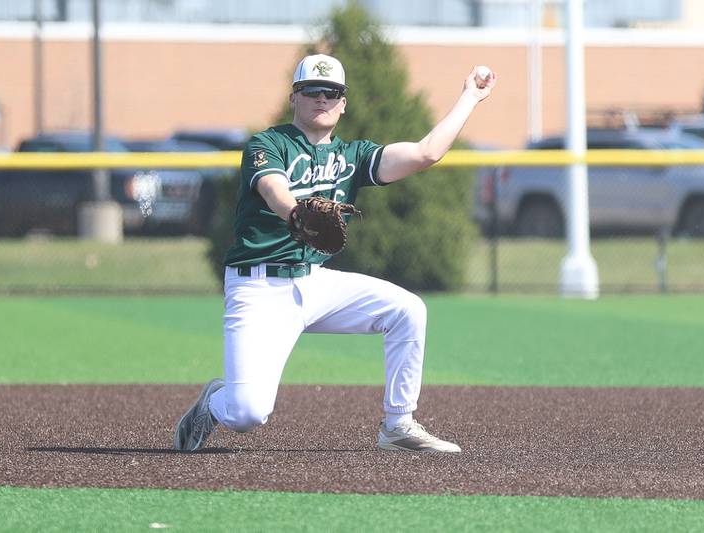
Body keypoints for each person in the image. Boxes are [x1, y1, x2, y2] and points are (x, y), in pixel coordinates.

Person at [174, 53, 495, 453]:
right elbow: (273, 189)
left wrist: (469, 98)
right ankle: (213, 403)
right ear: (295, 97)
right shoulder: (267, 143)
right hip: (258, 288)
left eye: (332, 92)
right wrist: (296, 212)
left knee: (408, 310)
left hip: (315, 282)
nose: (321, 98)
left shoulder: (353, 156)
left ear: (343, 103)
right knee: (247, 413)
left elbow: (426, 152)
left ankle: (398, 424)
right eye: (311, 90)